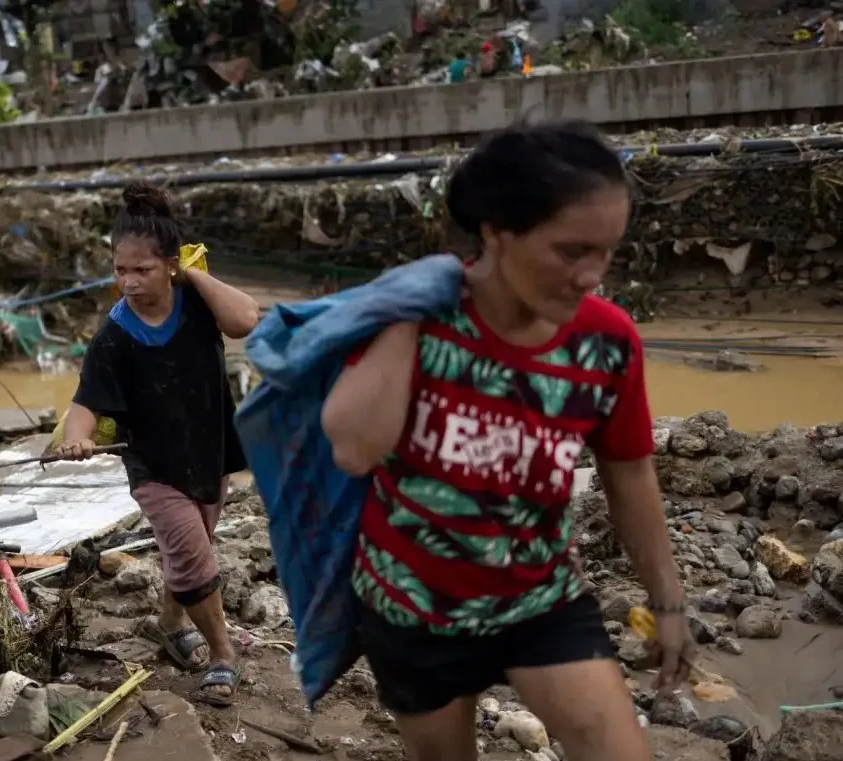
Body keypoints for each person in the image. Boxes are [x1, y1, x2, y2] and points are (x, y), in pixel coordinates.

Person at [320, 121, 693, 761]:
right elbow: (353, 448)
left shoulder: (606, 343)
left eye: (607, 252)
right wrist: (409, 312)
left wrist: (668, 600)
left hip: (540, 597)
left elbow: (629, 475)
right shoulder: (420, 323)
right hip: (413, 609)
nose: (591, 276)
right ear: (497, 230)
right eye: (570, 251)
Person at [55, 182, 260, 706]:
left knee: (196, 544)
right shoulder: (115, 336)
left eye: (142, 270)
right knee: (192, 554)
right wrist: (77, 440)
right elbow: (86, 404)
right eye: (120, 270)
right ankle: (223, 655)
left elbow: (245, 320)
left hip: (209, 450)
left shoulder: (197, 302)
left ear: (170, 264)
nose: (127, 282)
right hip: (152, 464)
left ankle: (170, 625)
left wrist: (194, 275)